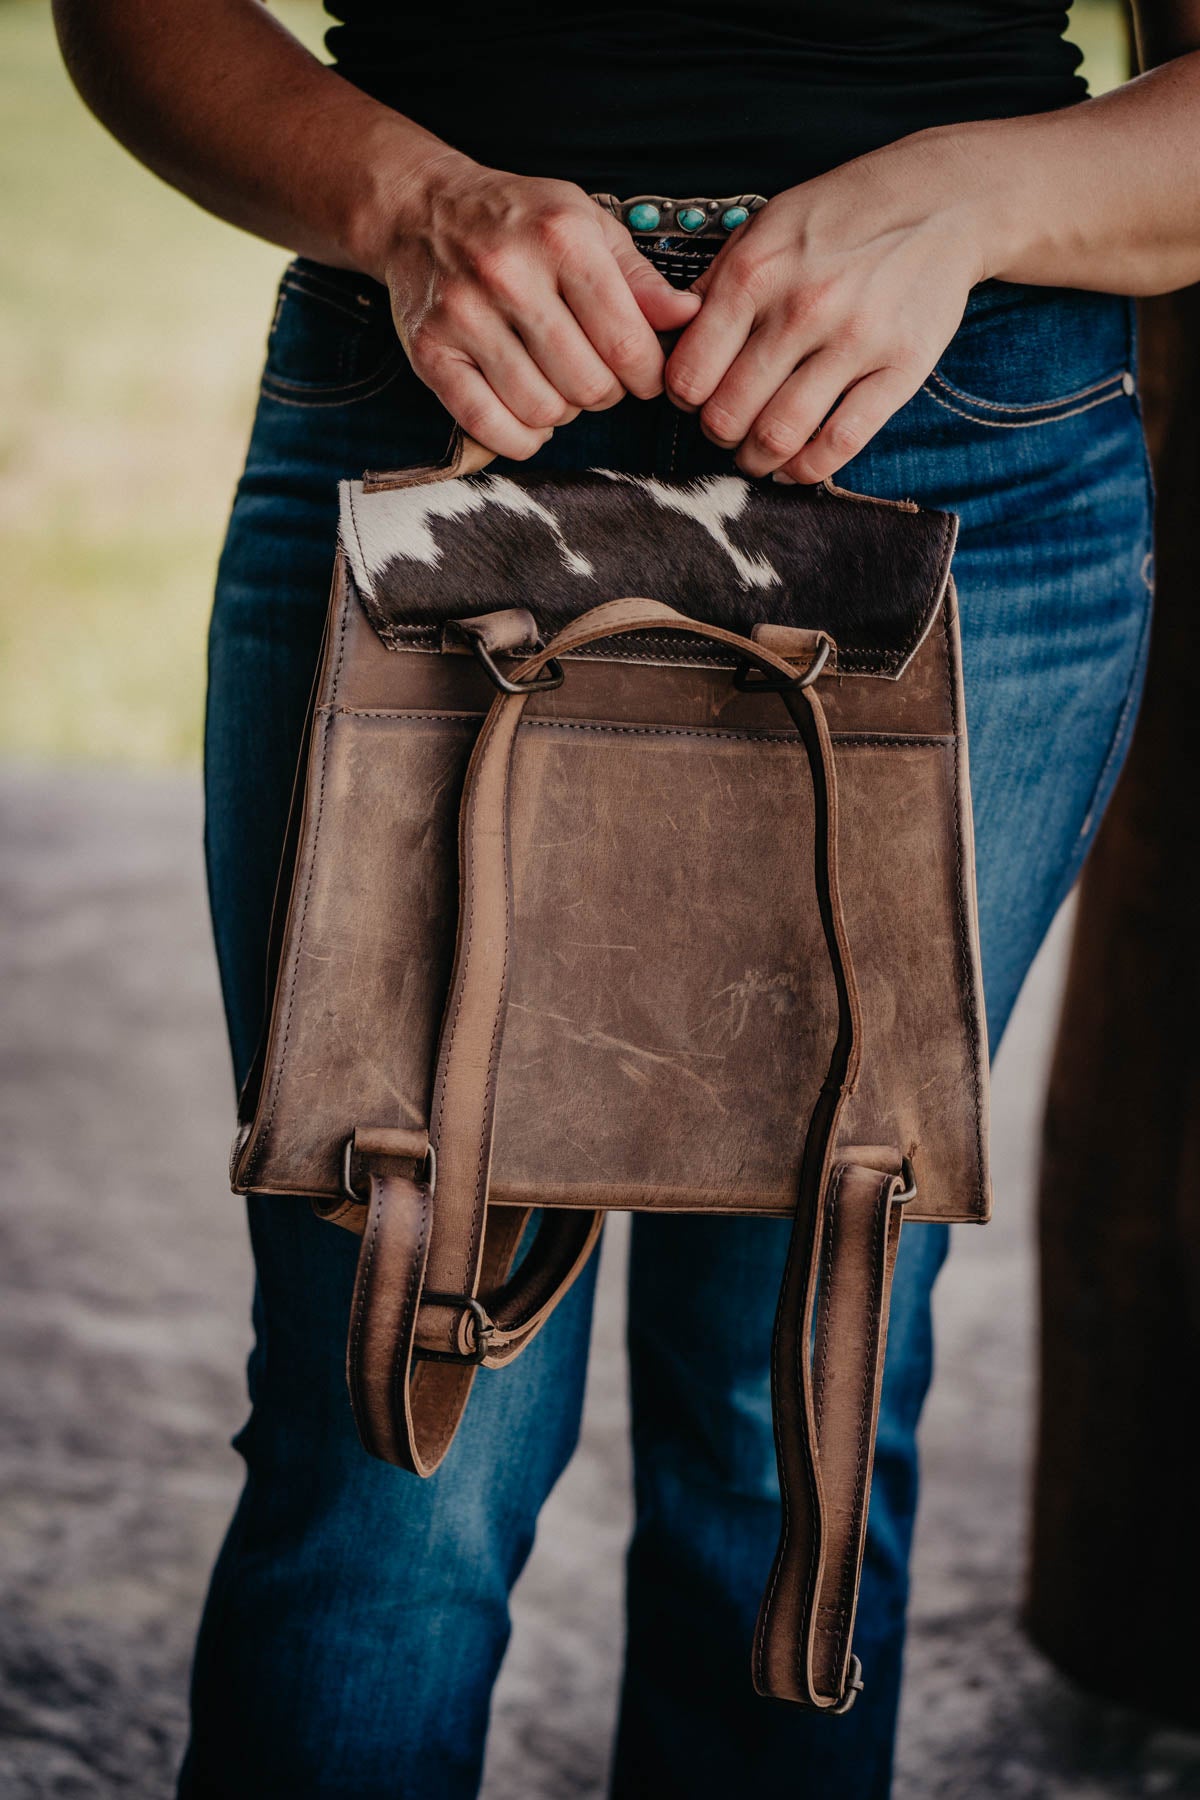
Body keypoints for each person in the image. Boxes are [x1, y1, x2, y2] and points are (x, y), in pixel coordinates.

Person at [52, 3, 1200, 1795]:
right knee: (387, 1446)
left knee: (795, 1429)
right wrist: (410, 203)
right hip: (443, 388)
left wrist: (973, 198)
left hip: (953, 431)